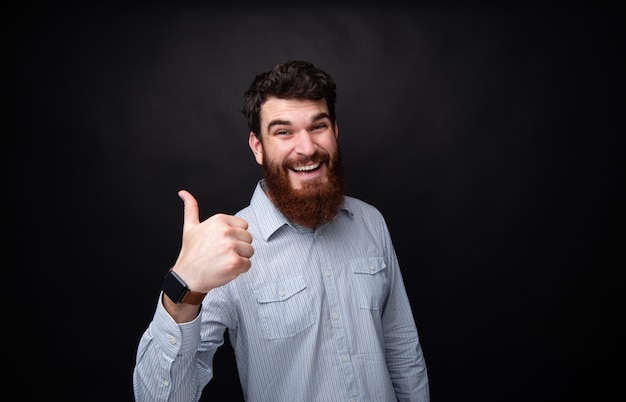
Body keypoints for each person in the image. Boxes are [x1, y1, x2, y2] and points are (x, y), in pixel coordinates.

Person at [133, 60, 430, 402]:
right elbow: (158, 397)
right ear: (258, 146)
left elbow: (403, 349)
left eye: (318, 126)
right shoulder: (230, 248)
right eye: (283, 132)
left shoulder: (371, 222)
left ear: (335, 131)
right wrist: (182, 286)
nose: (306, 148)